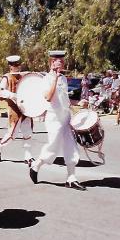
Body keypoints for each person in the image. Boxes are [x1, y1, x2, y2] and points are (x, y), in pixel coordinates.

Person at [28, 50, 86, 191]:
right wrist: (54, 78)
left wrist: (78, 103)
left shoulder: (64, 79)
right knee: (53, 147)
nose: (61, 63)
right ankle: (36, 165)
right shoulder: (46, 79)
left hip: (65, 116)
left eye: (62, 61)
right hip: (53, 118)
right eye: (58, 61)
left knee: (71, 146)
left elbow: (64, 100)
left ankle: (71, 178)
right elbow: (48, 97)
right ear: (52, 62)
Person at [0, 55, 35, 165]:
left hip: (26, 108)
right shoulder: (6, 77)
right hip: (14, 109)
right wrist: (13, 95)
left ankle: (28, 156)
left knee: (28, 133)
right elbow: (1, 91)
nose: (17, 66)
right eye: (14, 65)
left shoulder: (23, 76)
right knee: (12, 135)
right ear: (10, 66)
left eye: (18, 64)